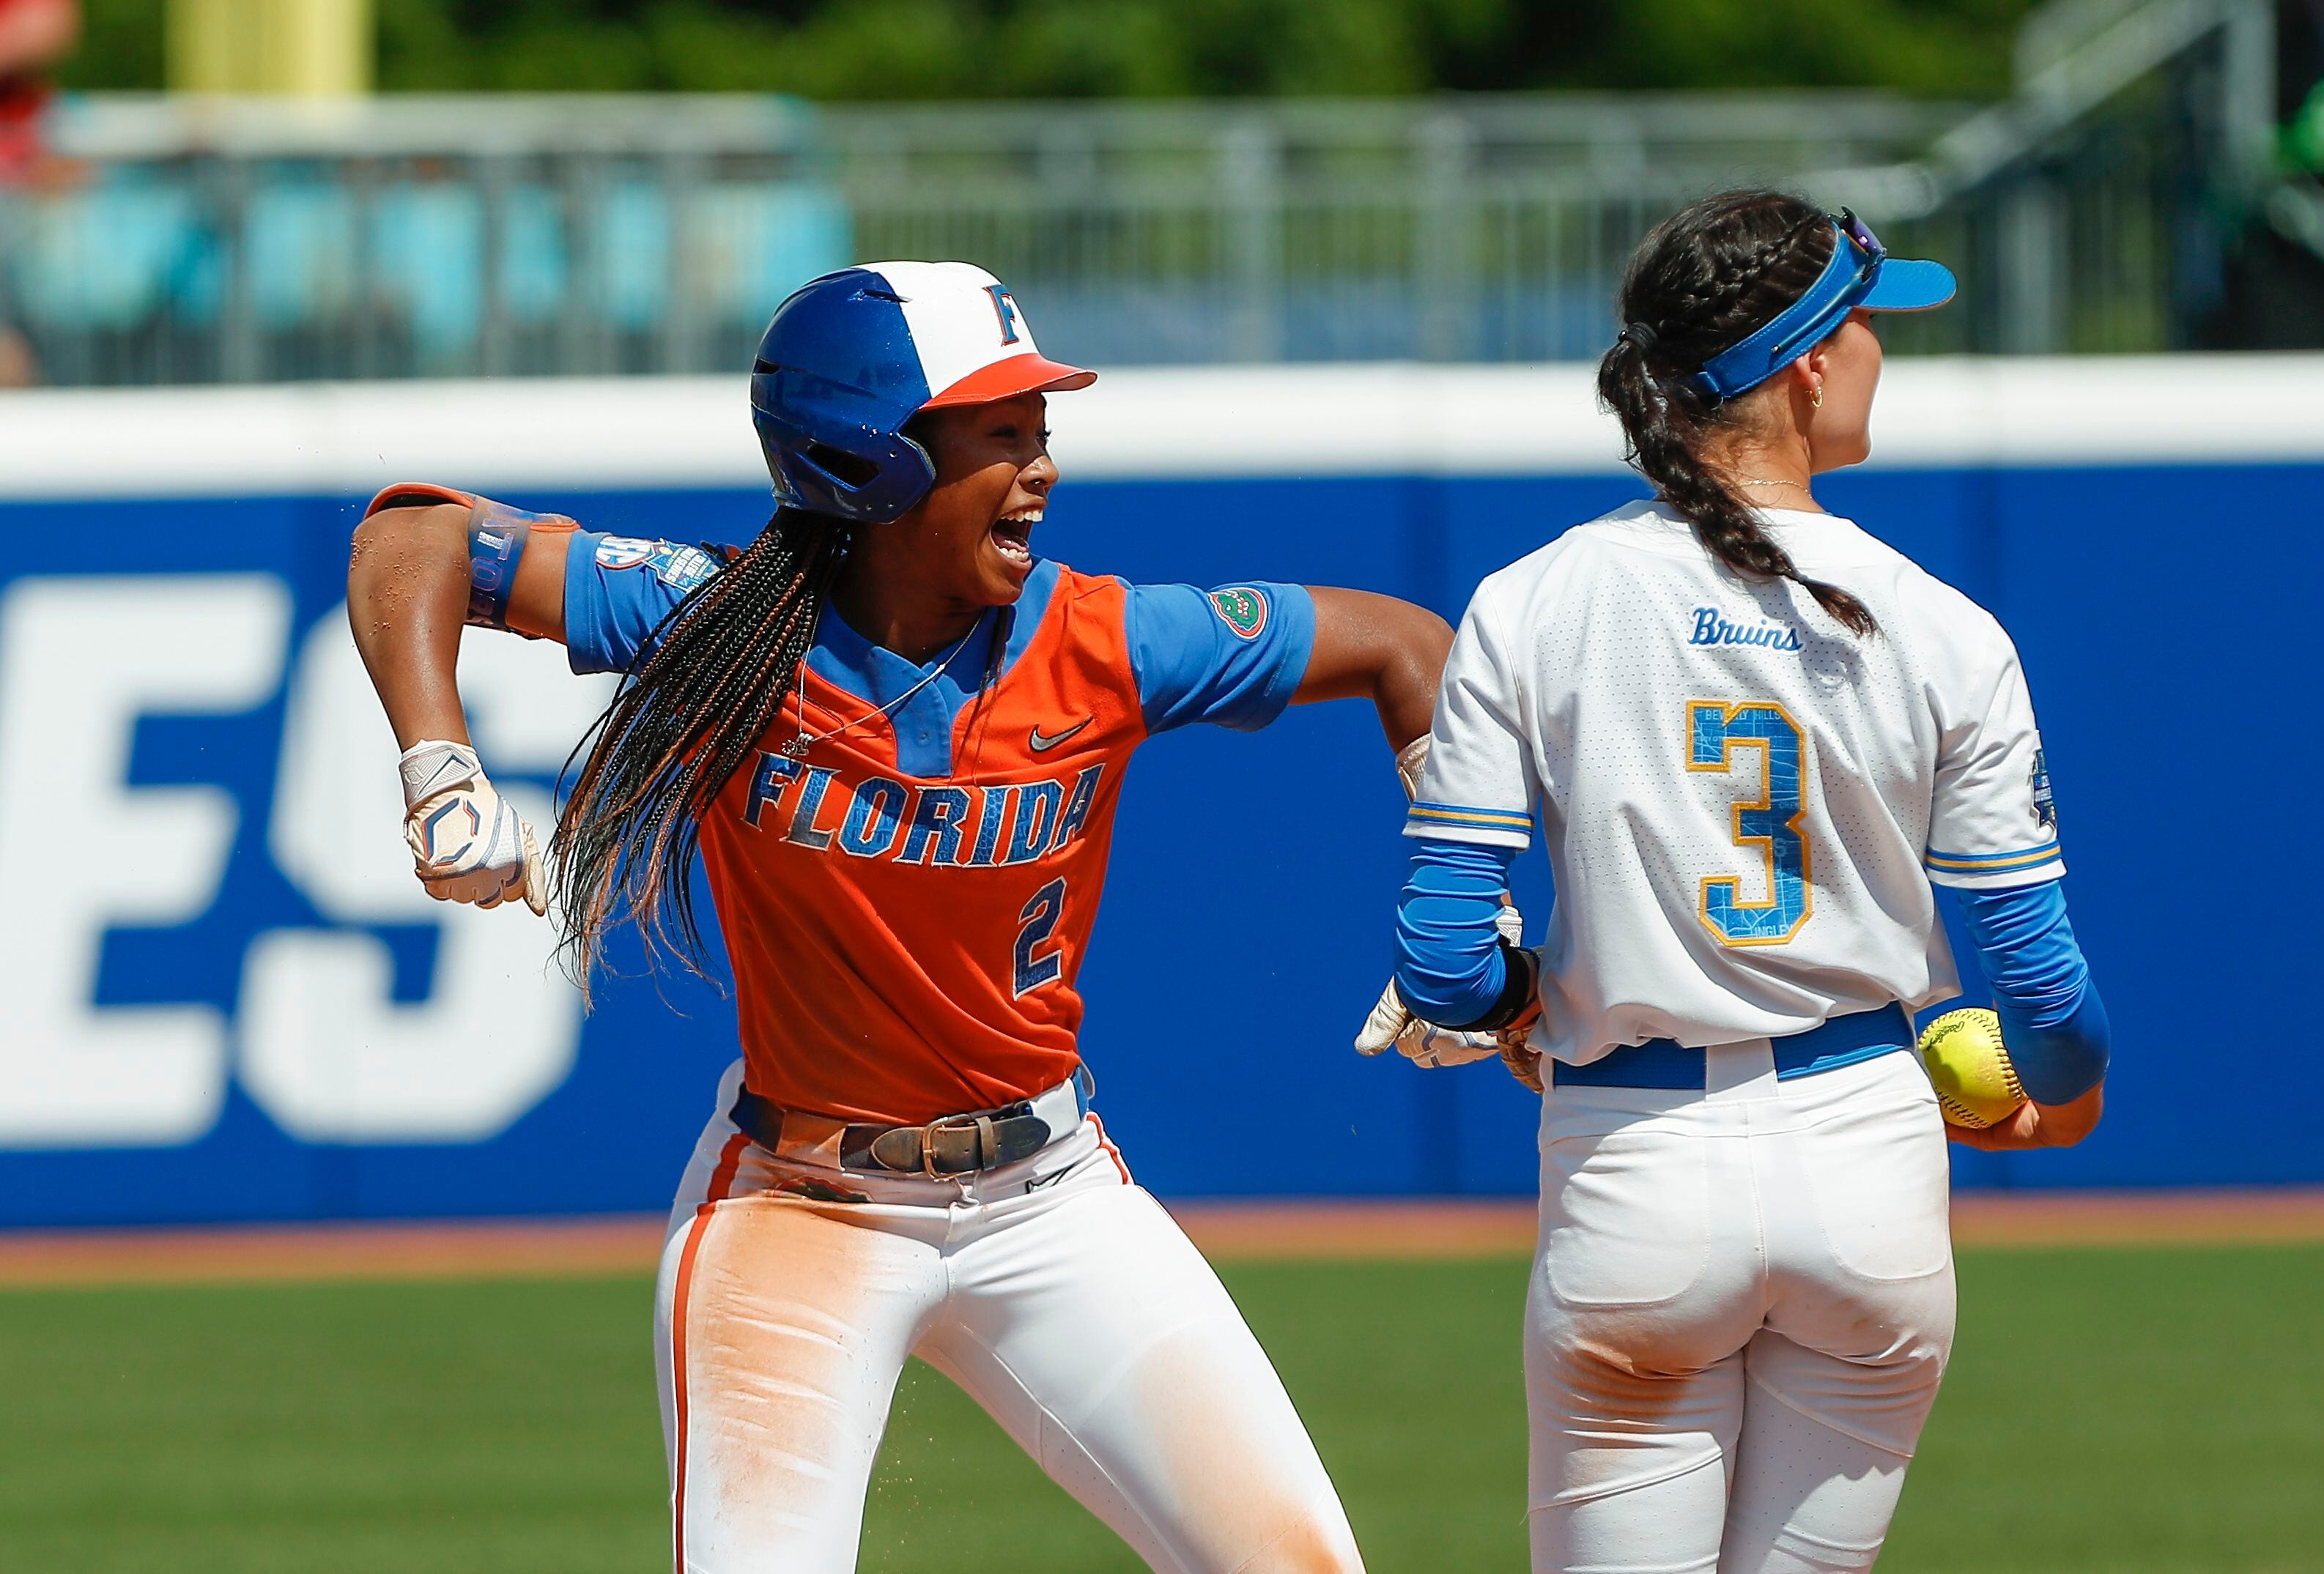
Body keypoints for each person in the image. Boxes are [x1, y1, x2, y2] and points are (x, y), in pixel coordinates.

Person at [347, 261, 1451, 1573]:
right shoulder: (726, 626)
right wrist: (437, 763)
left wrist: (1455, 906)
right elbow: (410, 536)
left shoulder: (1106, 639)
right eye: (1000, 434)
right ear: (869, 464)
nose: (1040, 465)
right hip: (798, 1205)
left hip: (1054, 1201)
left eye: (1041, 430)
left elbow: (1400, 644)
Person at [1355, 192, 2112, 1573]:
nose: (1885, 350)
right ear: (1811, 360)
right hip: (1867, 1157)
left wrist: (1521, 1001)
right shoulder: (1945, 625)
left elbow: (1443, 967)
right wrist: (2063, 1096)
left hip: (1632, 1170)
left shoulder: (1532, 601)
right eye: (1874, 322)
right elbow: (2049, 990)